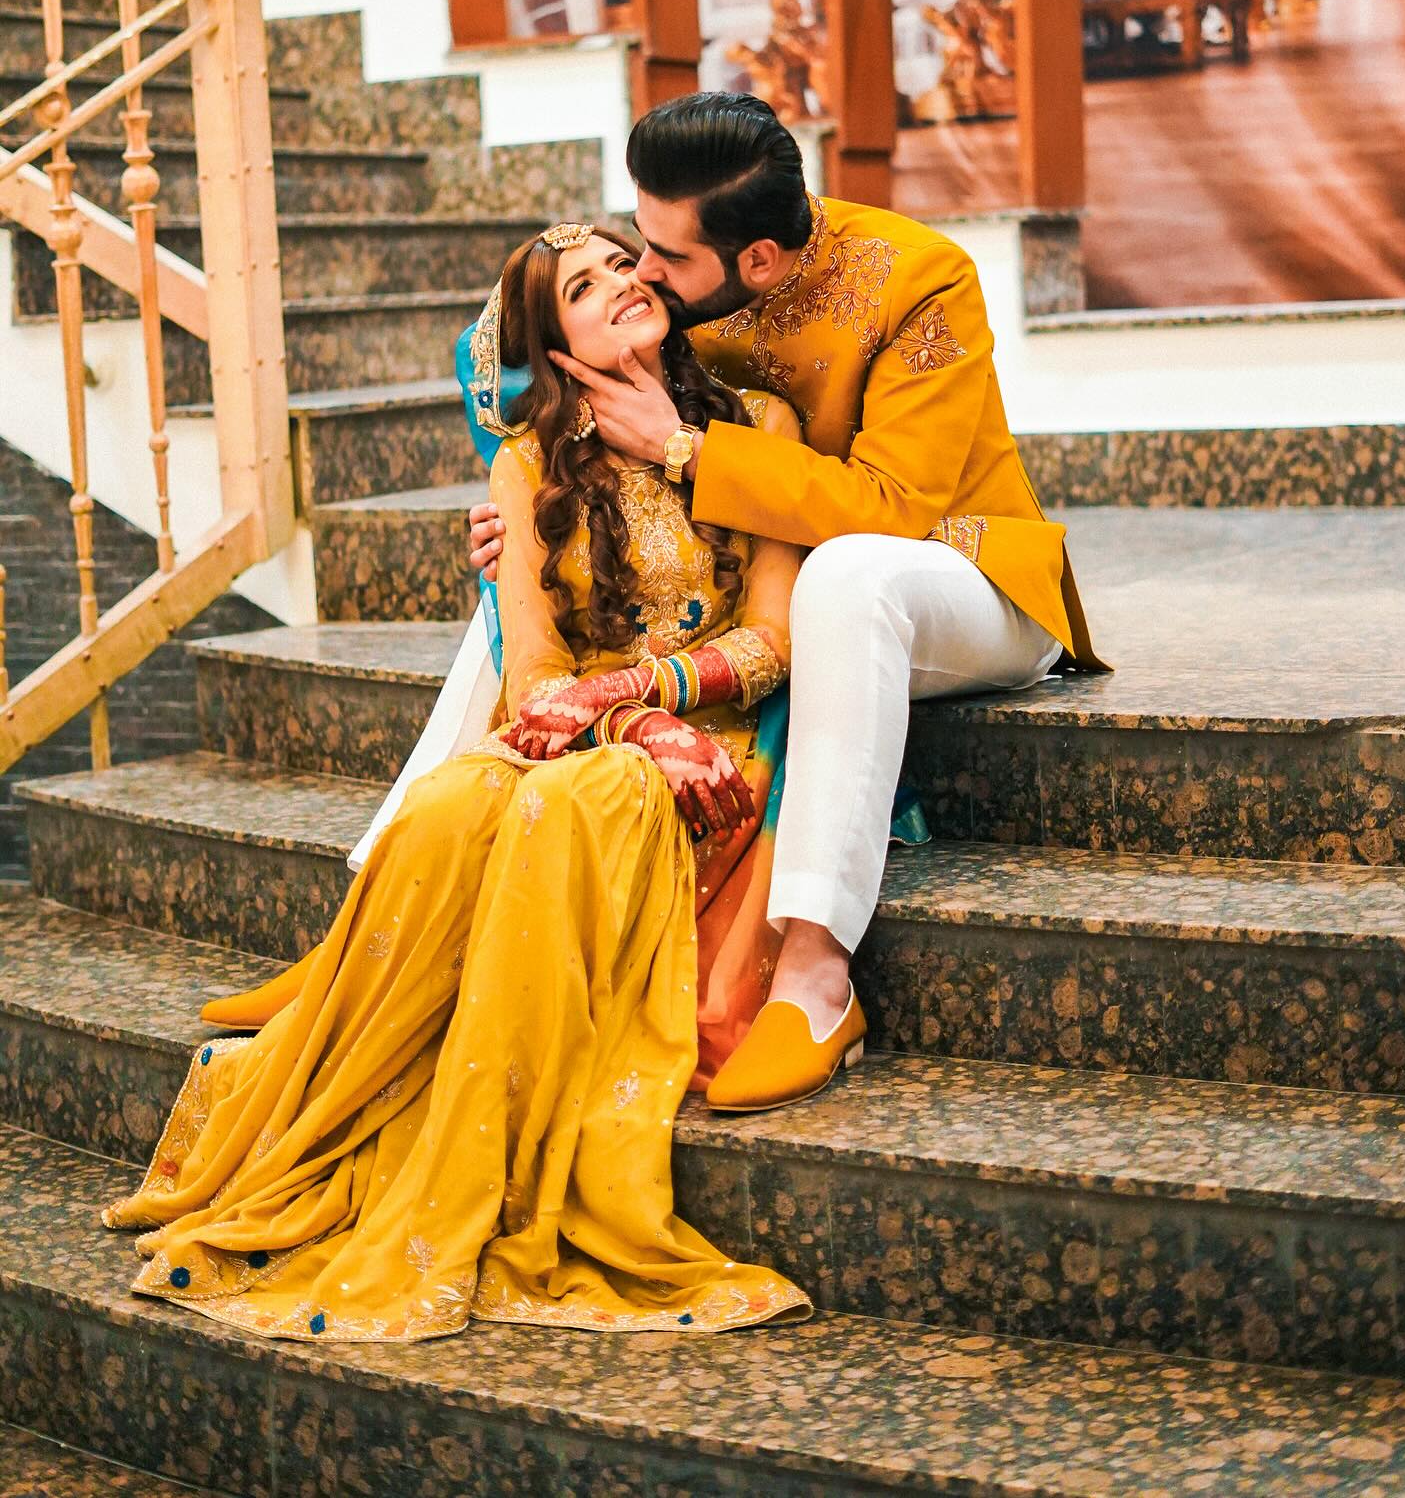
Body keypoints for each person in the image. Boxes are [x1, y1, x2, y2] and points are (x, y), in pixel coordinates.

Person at [100, 221, 812, 1343]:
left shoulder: (756, 426)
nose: (621, 283)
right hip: (584, 727)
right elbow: (533, 670)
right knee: (446, 806)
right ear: (554, 345)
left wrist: (656, 701)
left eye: (623, 263)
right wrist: (622, 714)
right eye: (583, 287)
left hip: (714, 744)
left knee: (576, 807)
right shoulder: (527, 466)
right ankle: (351, 1086)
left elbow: (773, 637)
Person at [466, 94, 1106, 1114]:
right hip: (796, 573)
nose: (643, 271)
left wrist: (684, 448)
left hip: (960, 574)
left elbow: (890, 510)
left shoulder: (922, 280)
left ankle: (812, 979)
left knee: (846, 575)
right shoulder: (691, 269)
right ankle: (399, 907)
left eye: (664, 256)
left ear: (757, 259)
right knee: (537, 545)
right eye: (638, 241)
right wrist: (520, 495)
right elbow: (524, 347)